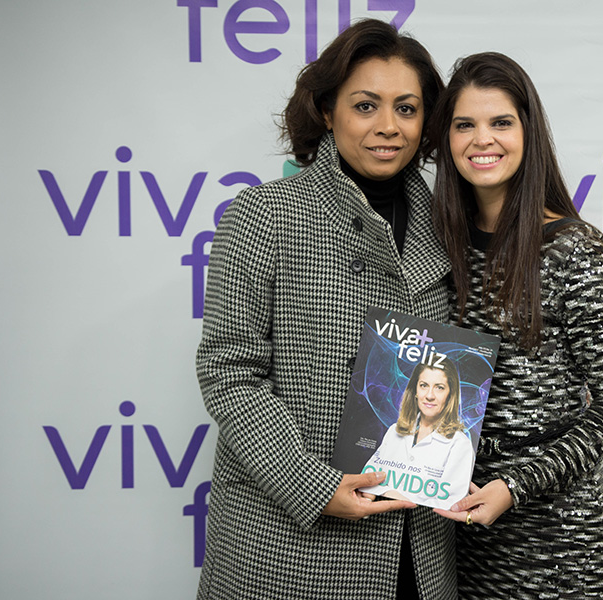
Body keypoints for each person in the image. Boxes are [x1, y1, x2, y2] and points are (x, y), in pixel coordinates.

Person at [195, 19, 456, 600]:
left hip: (418, 542)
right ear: (327, 111)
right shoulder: (264, 215)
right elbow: (228, 372)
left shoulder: (449, 224)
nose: (388, 126)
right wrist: (313, 487)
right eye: (366, 106)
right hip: (290, 543)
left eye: (407, 108)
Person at [429, 52, 603, 599]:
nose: (483, 140)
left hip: (562, 542)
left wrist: (515, 485)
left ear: (529, 132)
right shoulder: (435, 247)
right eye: (464, 125)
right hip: (462, 529)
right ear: (445, 139)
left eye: (501, 122)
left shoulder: (575, 248)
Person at [362, 359, 474, 508]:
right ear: (415, 390)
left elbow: (452, 503)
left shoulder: (460, 445)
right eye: (423, 385)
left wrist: (395, 496)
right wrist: (386, 492)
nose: (429, 395)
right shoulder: (394, 431)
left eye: (439, 388)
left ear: (450, 395)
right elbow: (368, 478)